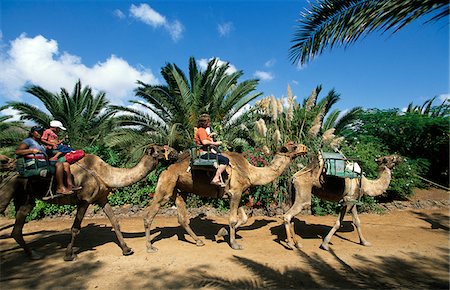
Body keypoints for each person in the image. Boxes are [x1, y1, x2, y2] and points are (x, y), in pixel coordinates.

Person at [16, 126, 79, 196]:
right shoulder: (28, 141)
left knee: (66, 164)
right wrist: (31, 150)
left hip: (43, 162)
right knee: (59, 164)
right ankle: (60, 187)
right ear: (32, 133)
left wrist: (59, 150)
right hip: (35, 163)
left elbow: (47, 152)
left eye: (41, 131)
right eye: (37, 131)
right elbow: (18, 151)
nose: (40, 133)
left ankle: (70, 185)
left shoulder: (40, 143)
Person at [194, 114, 229, 187]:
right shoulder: (201, 131)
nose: (210, 123)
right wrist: (215, 143)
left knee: (220, 156)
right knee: (225, 160)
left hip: (205, 152)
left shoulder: (202, 131)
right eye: (208, 121)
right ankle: (215, 178)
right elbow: (204, 142)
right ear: (204, 122)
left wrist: (210, 136)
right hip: (203, 154)